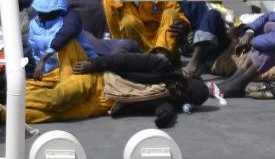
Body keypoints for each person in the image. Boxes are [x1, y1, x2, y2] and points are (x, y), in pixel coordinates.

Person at [21, 0, 111, 123]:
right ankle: (5, 106)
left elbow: (66, 33)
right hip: (63, 73)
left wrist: (44, 58)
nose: (42, 16)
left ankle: (6, 107)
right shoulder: (41, 23)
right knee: (32, 92)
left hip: (84, 73)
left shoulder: (71, 20)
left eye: (46, 13)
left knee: (58, 101)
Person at [73, 49, 210, 128]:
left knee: (60, 112)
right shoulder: (162, 65)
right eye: (186, 88)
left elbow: (165, 108)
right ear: (185, 82)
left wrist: (165, 117)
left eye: (187, 96)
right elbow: (124, 60)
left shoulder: (170, 100)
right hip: (104, 81)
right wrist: (92, 64)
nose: (181, 92)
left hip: (107, 104)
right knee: (61, 96)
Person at [102, 0, 188, 59]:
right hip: (138, 47)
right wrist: (118, 46)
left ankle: (162, 56)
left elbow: (176, 12)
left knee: (170, 13)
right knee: (128, 21)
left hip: (162, 42)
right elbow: (113, 27)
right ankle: (144, 59)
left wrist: (184, 24)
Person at [179, 2, 230, 78]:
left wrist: (248, 32)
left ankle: (194, 63)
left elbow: (238, 23)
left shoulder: (219, 9)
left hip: (218, 50)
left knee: (213, 13)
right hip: (190, 44)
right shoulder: (191, 3)